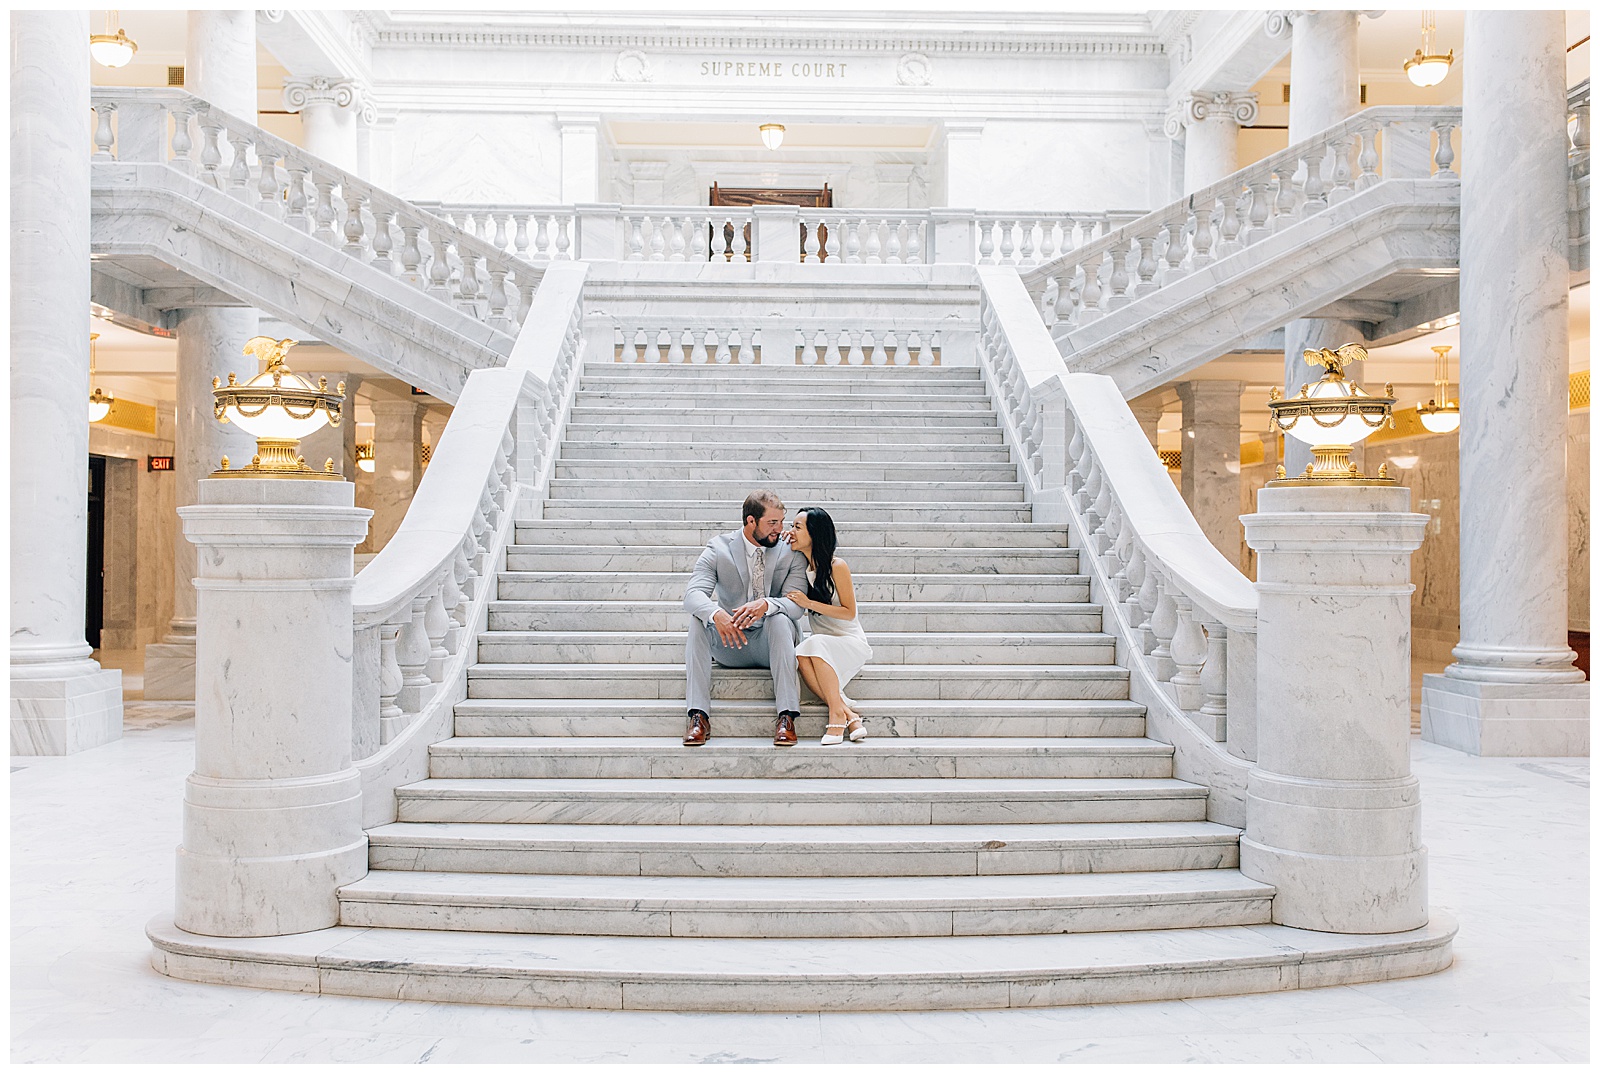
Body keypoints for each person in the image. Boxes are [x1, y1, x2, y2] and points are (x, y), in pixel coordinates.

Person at [682, 490, 809, 747]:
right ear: (751, 521)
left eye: (781, 521)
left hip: (771, 642)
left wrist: (767, 605)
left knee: (780, 618)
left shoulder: (790, 552)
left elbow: (796, 607)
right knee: (698, 620)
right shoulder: (718, 548)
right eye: (772, 523)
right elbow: (692, 595)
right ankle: (698, 716)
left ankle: (787, 717)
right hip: (731, 641)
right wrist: (717, 614)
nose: (779, 529)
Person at [785, 507, 872, 745]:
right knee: (801, 653)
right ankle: (848, 714)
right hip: (821, 646)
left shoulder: (837, 566)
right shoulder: (801, 567)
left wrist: (808, 602)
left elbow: (849, 612)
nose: (791, 532)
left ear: (815, 533)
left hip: (848, 641)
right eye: (791, 526)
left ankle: (836, 716)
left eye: (797, 527)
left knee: (812, 644)